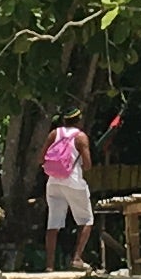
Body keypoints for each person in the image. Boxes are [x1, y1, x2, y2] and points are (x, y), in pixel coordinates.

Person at [41, 113, 93, 271]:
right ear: (79, 120)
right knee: (86, 220)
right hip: (73, 182)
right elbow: (88, 165)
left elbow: (41, 157)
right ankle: (76, 258)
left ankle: (49, 265)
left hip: (53, 182)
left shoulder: (54, 133)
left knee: (53, 223)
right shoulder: (80, 137)